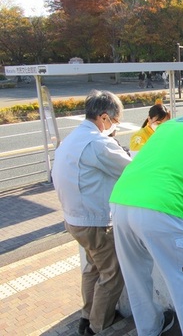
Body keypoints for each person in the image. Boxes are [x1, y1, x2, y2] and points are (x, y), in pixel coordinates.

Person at [109, 101, 183, 336]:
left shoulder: (171, 125)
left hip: (121, 202)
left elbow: (166, 174)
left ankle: (149, 330)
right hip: (159, 212)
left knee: (136, 276)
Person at [51, 90, 132, 336]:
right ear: (104, 117)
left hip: (73, 219)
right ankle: (98, 325)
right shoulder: (98, 143)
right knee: (112, 273)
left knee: (92, 268)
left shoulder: (73, 138)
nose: (114, 127)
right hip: (93, 222)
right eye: (115, 121)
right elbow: (130, 169)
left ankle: (87, 316)